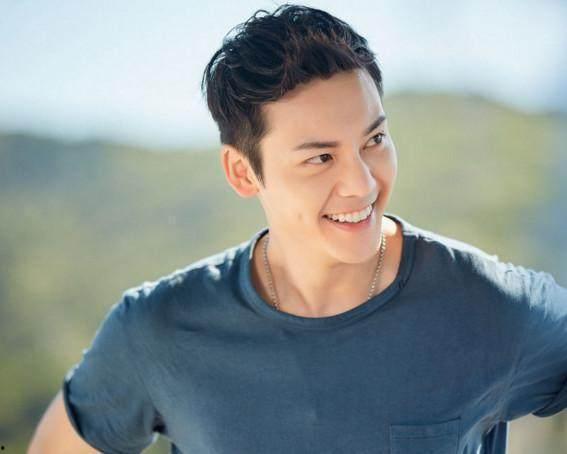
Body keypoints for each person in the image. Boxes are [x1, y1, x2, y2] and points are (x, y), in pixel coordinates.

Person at [28, 4, 567, 454]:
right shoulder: (158, 330)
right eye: (320, 158)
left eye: (374, 140)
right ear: (243, 173)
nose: (362, 183)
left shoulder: (491, 306)